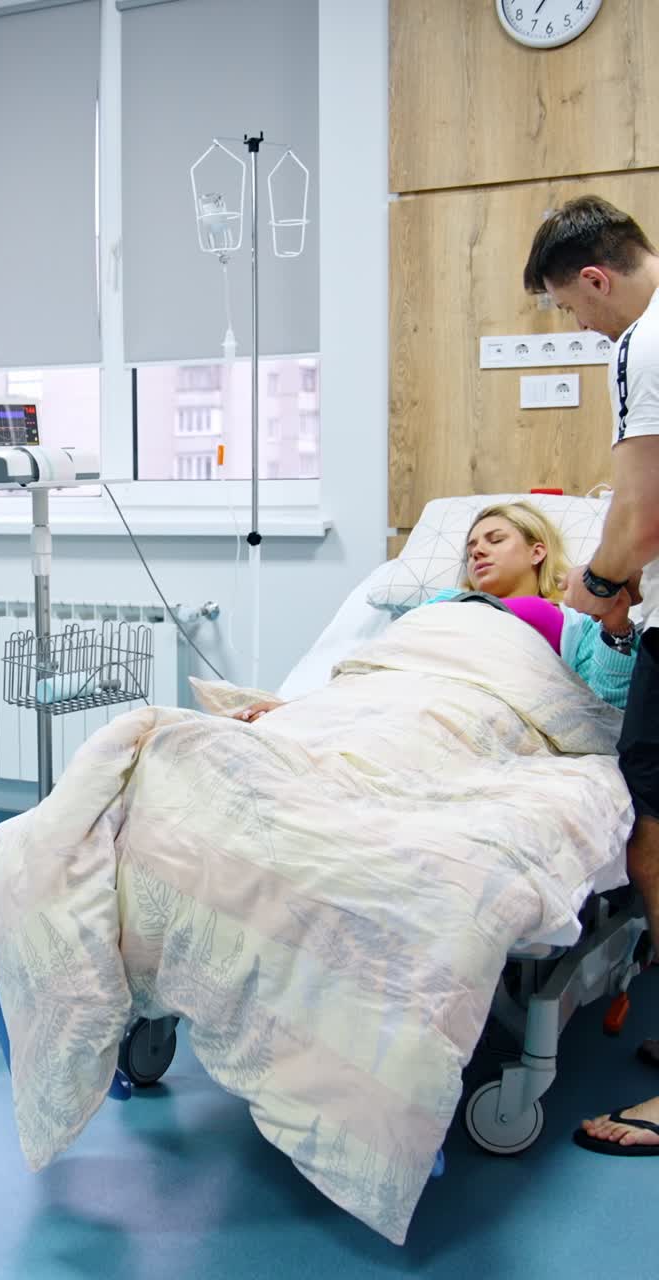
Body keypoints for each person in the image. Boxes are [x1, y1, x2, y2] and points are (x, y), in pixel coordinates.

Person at [525, 194, 659, 1155]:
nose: (579, 327)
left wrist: (599, 585)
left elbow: (640, 511)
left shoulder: (642, 346)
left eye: (572, 311)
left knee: (654, 830)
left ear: (598, 280)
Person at [236, 500, 637, 724]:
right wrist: (304, 708)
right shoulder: (439, 607)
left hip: (483, 716)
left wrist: (616, 625)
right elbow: (383, 667)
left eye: (495, 540)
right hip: (406, 704)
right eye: (471, 547)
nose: (477, 550)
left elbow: (607, 708)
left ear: (537, 551)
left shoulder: (575, 622)